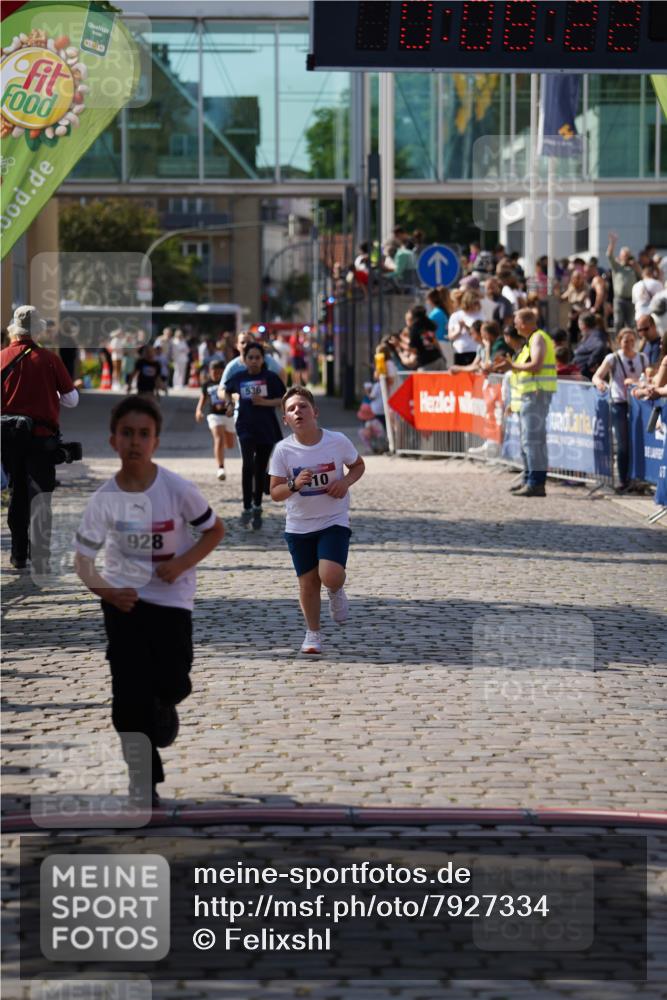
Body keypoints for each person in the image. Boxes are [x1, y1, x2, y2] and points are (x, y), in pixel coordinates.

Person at [74, 395, 224, 807]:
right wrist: (107, 591)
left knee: (173, 680)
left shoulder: (177, 490)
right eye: (127, 434)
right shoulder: (104, 499)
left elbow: (214, 530)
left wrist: (181, 562)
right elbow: (83, 561)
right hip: (123, 604)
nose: (135, 441)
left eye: (144, 434)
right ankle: (143, 781)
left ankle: (163, 707)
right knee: (127, 700)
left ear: (156, 441)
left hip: (172, 600)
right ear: (113, 441)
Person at [269, 386, 365, 656]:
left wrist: (345, 482)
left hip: (333, 519)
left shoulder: (336, 441)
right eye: (291, 409)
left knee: (330, 574)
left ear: (315, 411)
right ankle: (313, 634)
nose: (297, 411)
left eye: (302, 406)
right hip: (299, 525)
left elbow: (358, 465)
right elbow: (275, 493)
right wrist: (294, 484)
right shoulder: (283, 451)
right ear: (285, 420)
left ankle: (336, 590)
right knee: (308, 583)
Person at [1, 305, 79, 571]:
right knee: (40, 496)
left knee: (17, 493)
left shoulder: (1, 358)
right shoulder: (48, 359)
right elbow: (71, 400)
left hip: (8, 439)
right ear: (38, 330)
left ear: (14, 329)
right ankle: (41, 556)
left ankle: (18, 554)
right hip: (41, 439)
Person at [223, 342, 285, 529]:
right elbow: (227, 390)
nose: (254, 361)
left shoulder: (270, 378)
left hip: (266, 427)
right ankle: (246, 506)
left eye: (257, 357)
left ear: (262, 359)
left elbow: (283, 398)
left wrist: (264, 402)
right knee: (247, 465)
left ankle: (257, 505)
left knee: (260, 468)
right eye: (250, 357)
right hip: (245, 426)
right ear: (245, 359)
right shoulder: (239, 377)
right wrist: (230, 404)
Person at [497, 308, 557, 497]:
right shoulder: (531, 341)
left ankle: (536, 482)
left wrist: (512, 366)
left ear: (526, 322)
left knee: (532, 441)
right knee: (528, 442)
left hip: (536, 395)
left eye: (517, 321)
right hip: (529, 396)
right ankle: (529, 478)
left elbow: (536, 365)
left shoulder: (538, 338)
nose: (515, 325)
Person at [593, 328, 648, 493]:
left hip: (638, 403)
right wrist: (600, 384)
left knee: (638, 441)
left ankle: (638, 478)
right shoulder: (613, 358)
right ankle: (624, 479)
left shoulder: (642, 358)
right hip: (619, 403)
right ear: (619, 341)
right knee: (623, 443)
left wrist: (638, 383)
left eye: (632, 341)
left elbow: (649, 378)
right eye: (626, 341)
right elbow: (597, 376)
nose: (629, 345)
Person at [195, 359, 236, 481]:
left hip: (229, 415)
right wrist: (198, 410)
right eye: (213, 371)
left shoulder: (228, 383)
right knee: (218, 438)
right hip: (214, 415)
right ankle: (220, 468)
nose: (216, 374)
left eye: (218, 372)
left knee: (230, 445)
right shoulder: (207, 384)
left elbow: (234, 396)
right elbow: (203, 398)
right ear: (209, 371)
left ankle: (221, 446)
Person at [607, 232, 641, 332]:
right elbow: (609, 256)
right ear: (621, 256)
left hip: (631, 300)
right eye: (624, 255)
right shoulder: (617, 267)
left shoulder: (633, 268)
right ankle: (618, 342)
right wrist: (612, 243)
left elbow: (642, 275)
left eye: (628, 255)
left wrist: (636, 265)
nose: (626, 257)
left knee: (631, 323)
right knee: (618, 322)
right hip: (619, 299)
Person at [447, 289, 484, 366]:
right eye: (474, 302)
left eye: (477, 302)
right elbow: (450, 336)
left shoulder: (481, 315)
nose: (477, 304)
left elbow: (482, 333)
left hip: (475, 350)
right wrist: (459, 329)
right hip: (460, 351)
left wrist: (467, 328)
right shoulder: (456, 316)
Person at [573, 312, 610, 380]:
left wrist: (589, 365)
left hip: (588, 378)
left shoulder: (595, 335)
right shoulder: (588, 335)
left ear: (583, 325)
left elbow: (600, 346)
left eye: (579, 324)